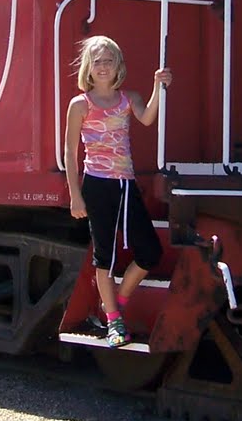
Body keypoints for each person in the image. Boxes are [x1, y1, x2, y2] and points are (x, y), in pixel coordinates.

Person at [64, 35, 172, 347]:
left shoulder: (128, 99)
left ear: (118, 67)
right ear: (89, 66)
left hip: (125, 184)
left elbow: (148, 117)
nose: (102, 66)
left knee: (150, 251)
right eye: (97, 61)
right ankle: (114, 323)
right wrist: (75, 194)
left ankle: (117, 302)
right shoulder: (79, 104)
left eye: (108, 61)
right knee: (105, 258)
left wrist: (158, 85)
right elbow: (70, 152)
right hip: (96, 185)